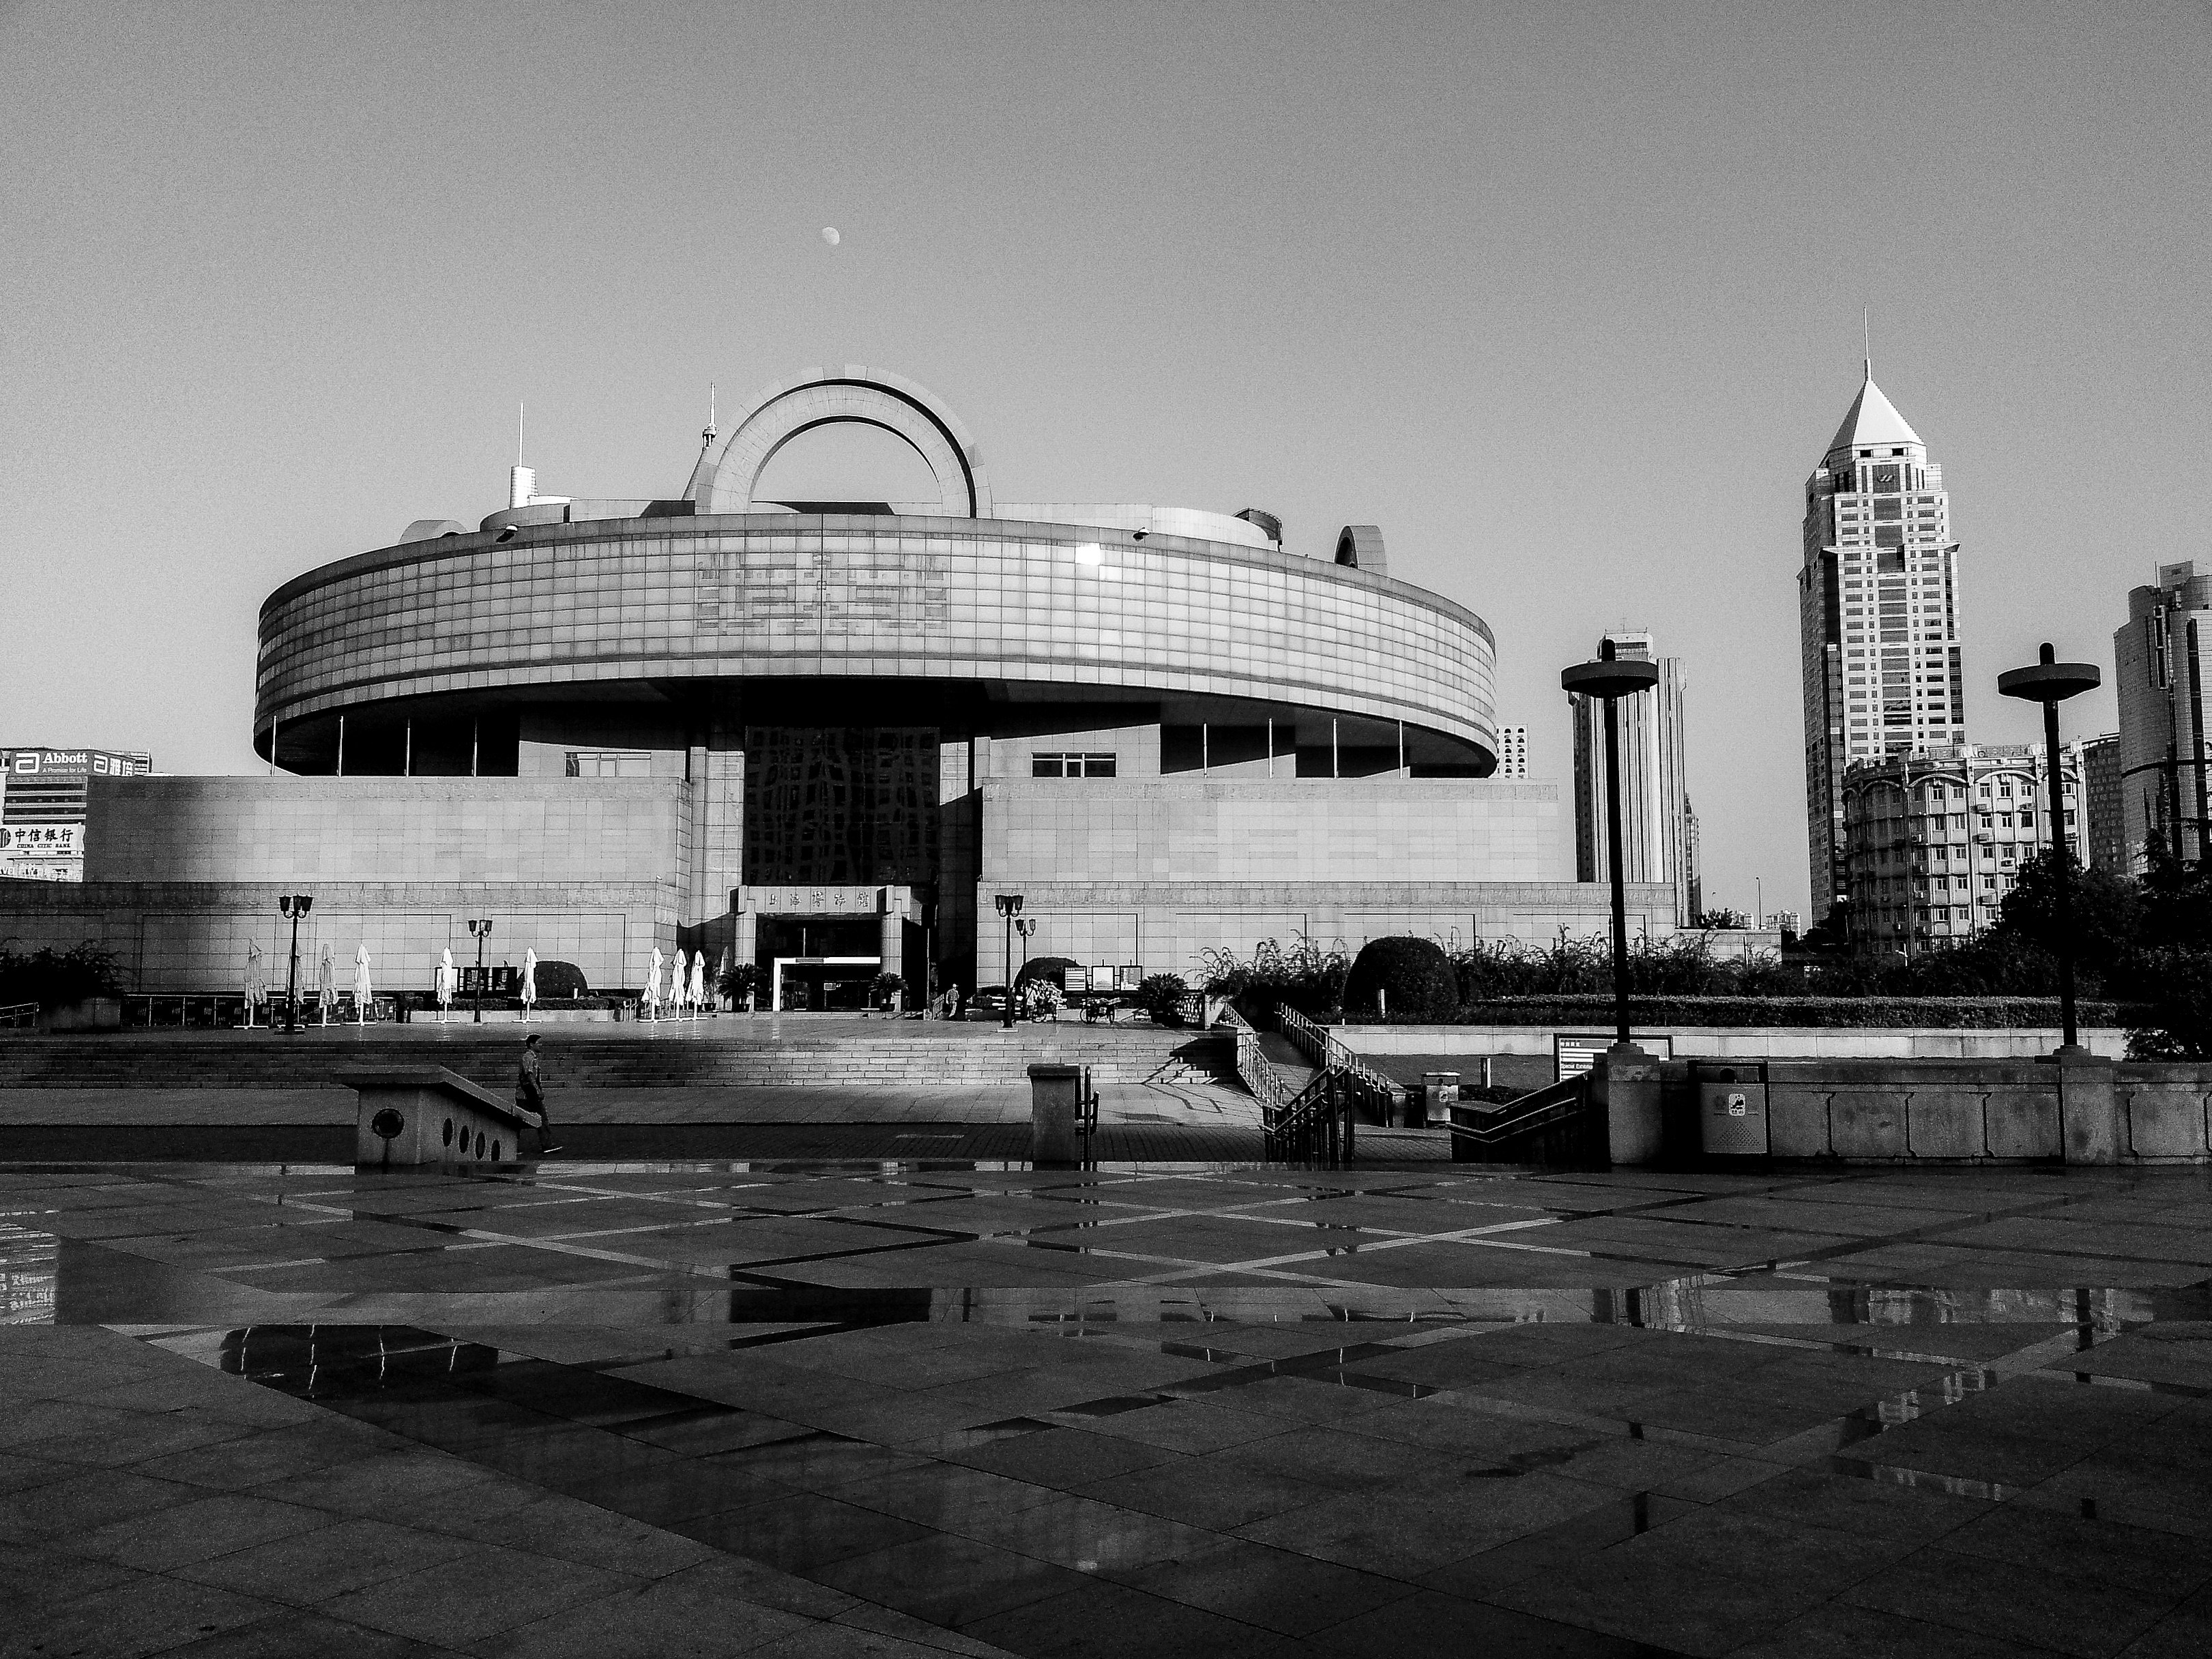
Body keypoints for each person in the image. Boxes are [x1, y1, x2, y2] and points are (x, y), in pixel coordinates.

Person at [516, 1033, 560, 1154]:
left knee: (521, 1121)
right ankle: (546, 1145)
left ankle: (514, 1146)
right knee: (541, 1118)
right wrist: (538, 1090)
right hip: (528, 1094)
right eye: (539, 1043)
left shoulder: (532, 1057)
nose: (541, 1045)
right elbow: (529, 1076)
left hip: (525, 1094)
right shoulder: (528, 1057)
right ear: (532, 1044)